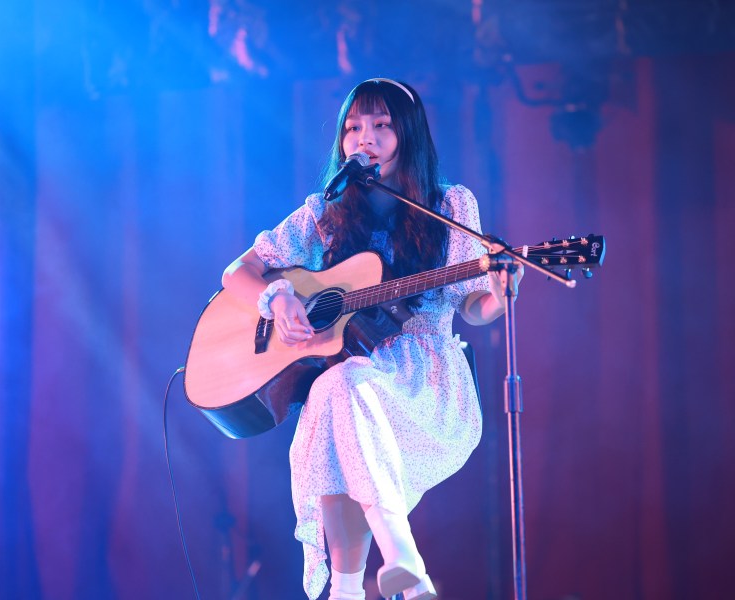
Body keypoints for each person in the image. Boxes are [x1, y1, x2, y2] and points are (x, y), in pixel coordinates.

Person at [221, 78, 521, 600]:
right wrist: (278, 298)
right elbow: (237, 272)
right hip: (355, 370)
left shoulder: (449, 205)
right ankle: (395, 567)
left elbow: (474, 307)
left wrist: (498, 293)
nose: (366, 138)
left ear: (408, 135)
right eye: (354, 128)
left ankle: (370, 578)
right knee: (337, 389)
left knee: (341, 390)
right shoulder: (326, 210)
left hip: (426, 377)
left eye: (382, 125)